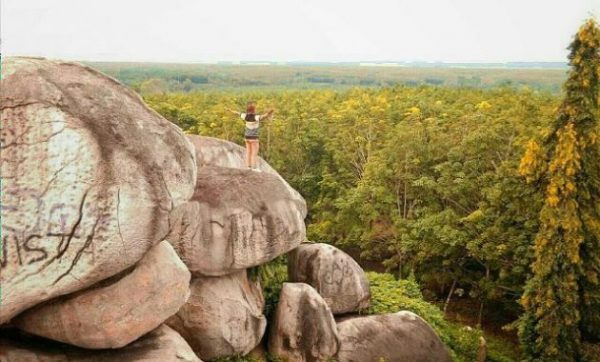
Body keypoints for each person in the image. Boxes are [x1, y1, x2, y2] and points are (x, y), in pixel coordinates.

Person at [227, 101, 274, 171]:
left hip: (247, 137)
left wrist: (230, 110)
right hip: (254, 138)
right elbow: (264, 116)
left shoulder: (245, 116)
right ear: (253, 110)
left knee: (248, 152)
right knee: (254, 154)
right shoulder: (256, 117)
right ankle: (254, 168)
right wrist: (270, 112)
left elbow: (237, 113)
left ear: (247, 110)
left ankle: (248, 167)